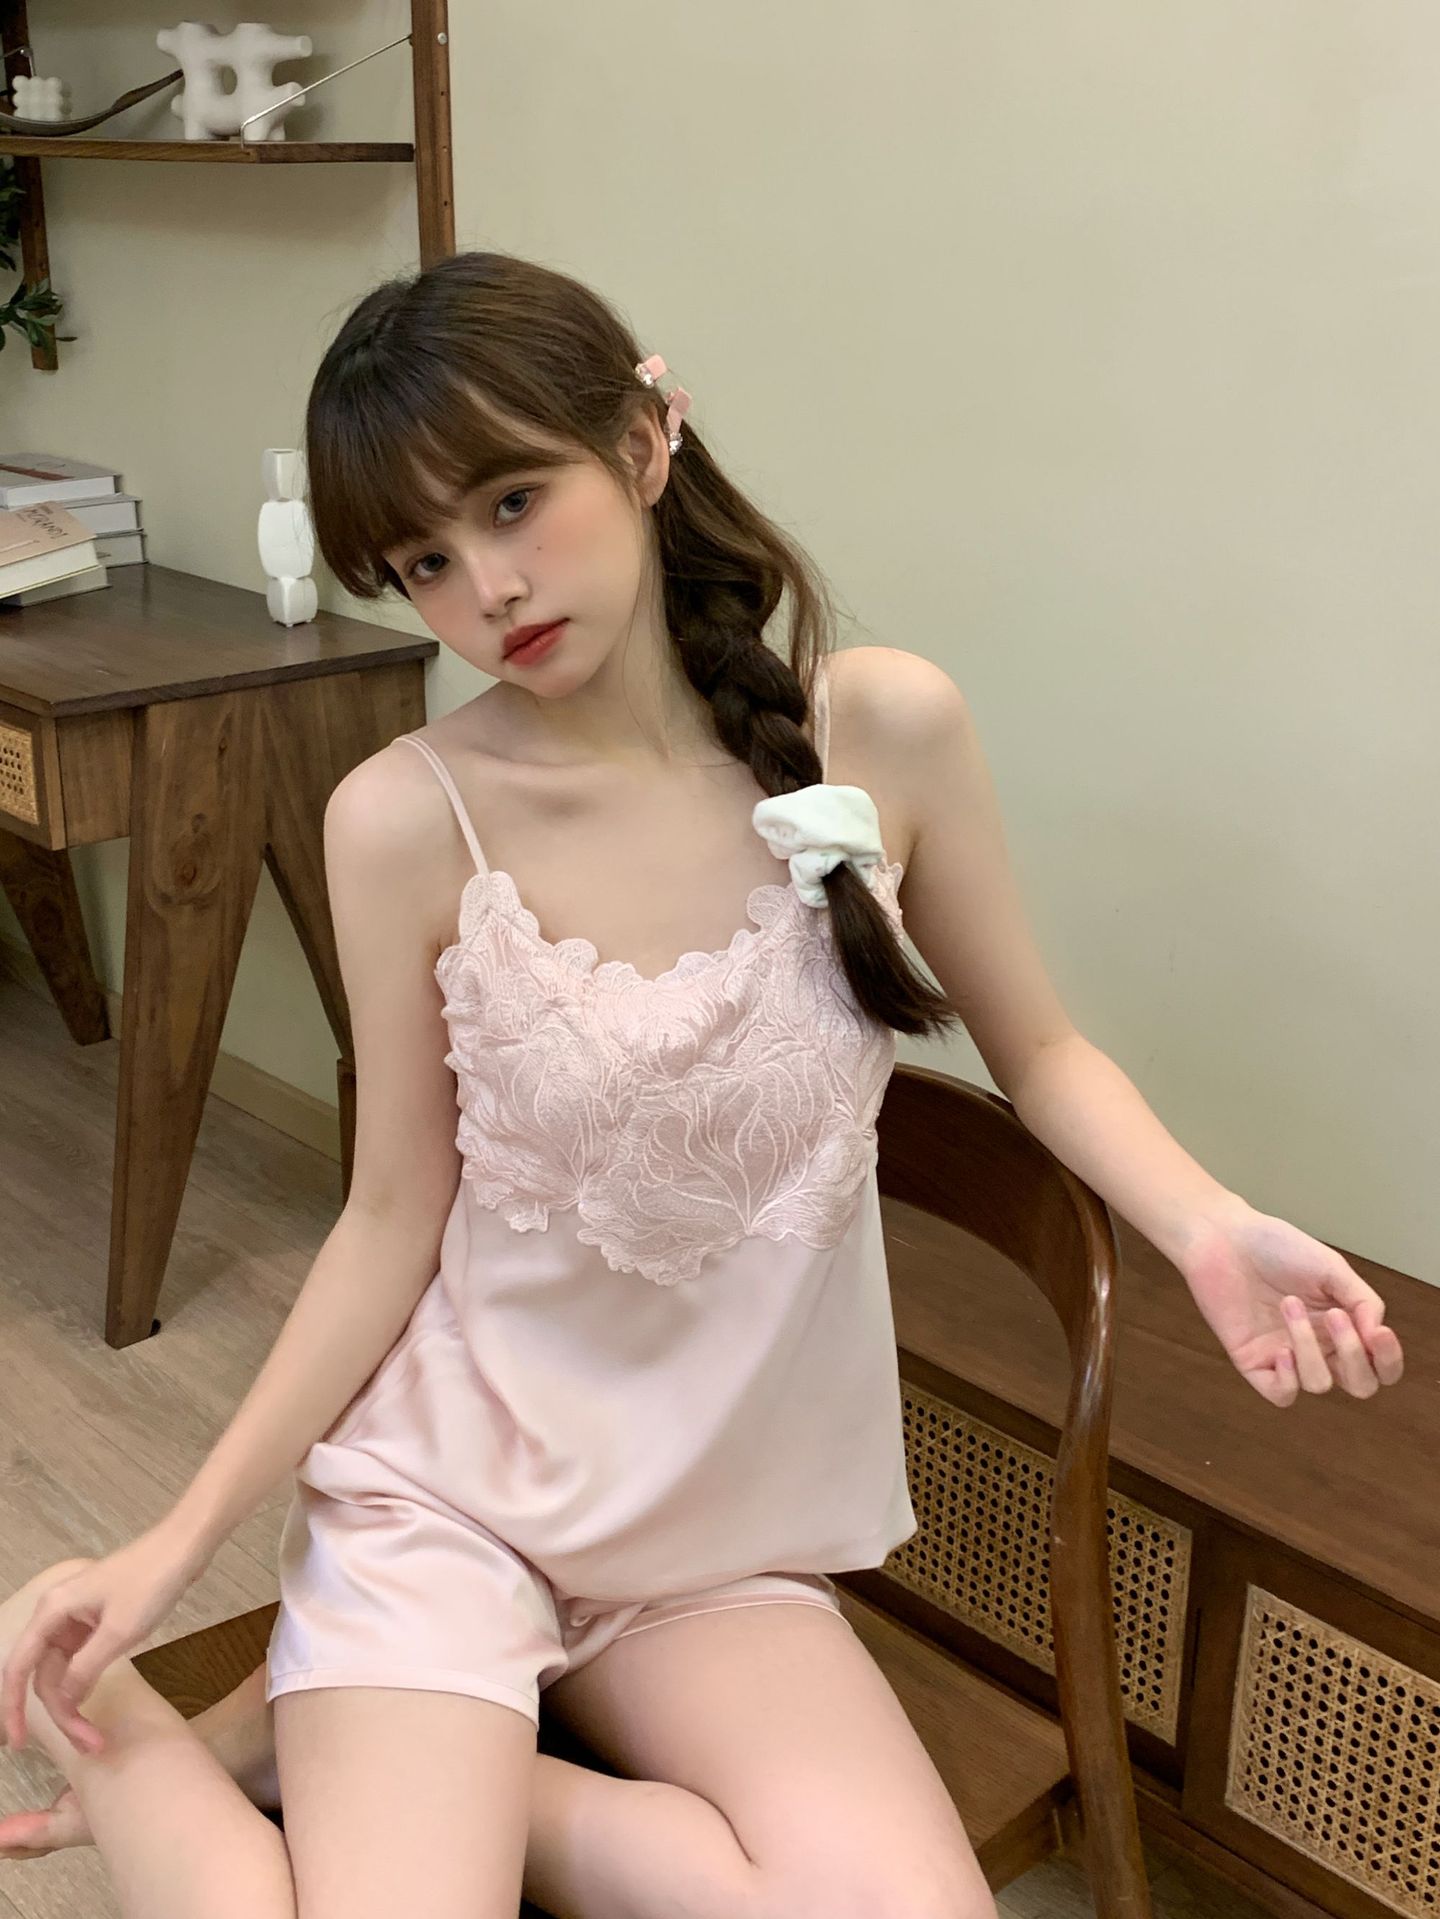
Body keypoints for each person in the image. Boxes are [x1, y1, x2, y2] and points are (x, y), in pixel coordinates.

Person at [0, 251, 1404, 1917]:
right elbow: (388, 1222)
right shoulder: (404, 820)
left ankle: (385, 1754)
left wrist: (1208, 1223)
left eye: (515, 502)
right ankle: (153, 1741)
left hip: (717, 1545)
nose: (488, 589)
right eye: (427, 561)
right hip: (451, 1510)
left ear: (647, 439)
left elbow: (1039, 1050)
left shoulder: (883, 730)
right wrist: (174, 1543)